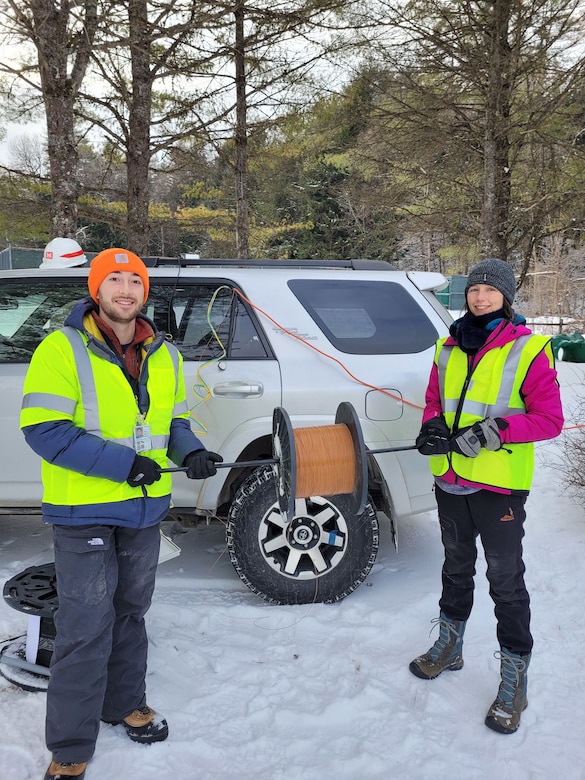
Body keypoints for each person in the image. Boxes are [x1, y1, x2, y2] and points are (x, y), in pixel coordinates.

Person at [20, 248, 223, 780]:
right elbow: (45, 430)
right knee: (86, 625)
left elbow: (171, 422)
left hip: (142, 510)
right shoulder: (61, 348)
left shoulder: (165, 354)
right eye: (115, 279)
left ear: (144, 291)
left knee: (131, 610)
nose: (126, 289)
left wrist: (190, 451)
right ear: (96, 288)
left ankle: (124, 702)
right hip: (82, 510)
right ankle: (68, 747)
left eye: (135, 280)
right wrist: (123, 464)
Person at [410, 258, 563, 735]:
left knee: (505, 582)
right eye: (473, 289)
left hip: (498, 488)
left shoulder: (530, 349)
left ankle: (513, 678)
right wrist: (432, 426)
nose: (479, 297)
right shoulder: (446, 347)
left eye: (489, 290)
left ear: (505, 296)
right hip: (451, 480)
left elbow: (549, 419)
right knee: (455, 568)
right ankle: (450, 647)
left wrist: (496, 431)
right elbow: (435, 401)